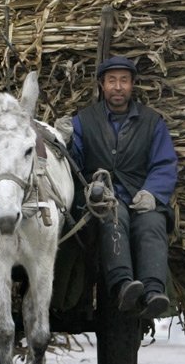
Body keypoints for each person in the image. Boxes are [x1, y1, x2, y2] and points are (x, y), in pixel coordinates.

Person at [67, 55, 178, 319]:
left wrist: (152, 192)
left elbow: (164, 163)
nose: (118, 87)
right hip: (101, 199)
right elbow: (74, 164)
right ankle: (123, 285)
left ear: (132, 86)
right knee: (113, 219)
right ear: (102, 85)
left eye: (124, 81)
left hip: (138, 195)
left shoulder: (152, 122)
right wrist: (66, 142)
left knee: (153, 223)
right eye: (112, 81)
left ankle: (153, 292)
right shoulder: (84, 121)